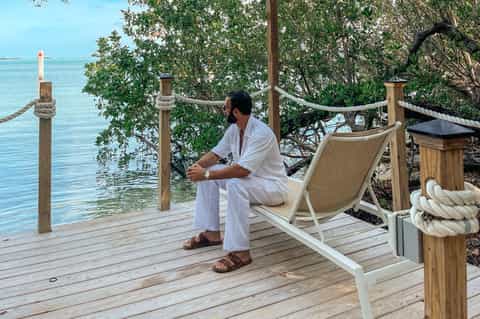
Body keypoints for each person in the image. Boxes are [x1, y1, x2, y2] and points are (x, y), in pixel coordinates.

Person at [184, 90, 288, 273]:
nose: (224, 110)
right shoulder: (235, 130)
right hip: (250, 182)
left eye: (226, 107)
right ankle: (211, 233)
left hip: (271, 188)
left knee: (233, 183)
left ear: (236, 112)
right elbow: (216, 154)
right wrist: (197, 168)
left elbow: (242, 170)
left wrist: (206, 175)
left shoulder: (261, 133)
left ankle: (240, 253)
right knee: (210, 172)